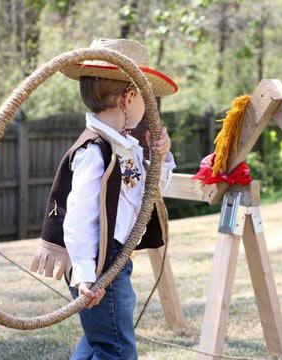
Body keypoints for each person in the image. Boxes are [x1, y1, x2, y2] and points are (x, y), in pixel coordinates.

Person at [30, 38, 178, 359]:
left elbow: (149, 191)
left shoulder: (125, 146)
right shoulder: (95, 152)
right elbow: (79, 219)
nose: (150, 106)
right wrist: (84, 274)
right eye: (146, 97)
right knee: (117, 349)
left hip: (115, 258)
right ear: (129, 97)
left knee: (100, 339)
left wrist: (161, 155)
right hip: (98, 262)